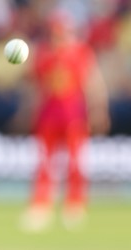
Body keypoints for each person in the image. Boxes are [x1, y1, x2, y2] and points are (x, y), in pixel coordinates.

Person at [17, 9, 111, 231]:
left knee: (76, 163)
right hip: (49, 117)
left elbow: (92, 83)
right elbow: (37, 88)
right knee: (44, 164)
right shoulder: (43, 54)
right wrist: (27, 112)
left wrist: (98, 110)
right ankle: (41, 206)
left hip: (74, 117)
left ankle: (75, 205)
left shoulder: (80, 53)